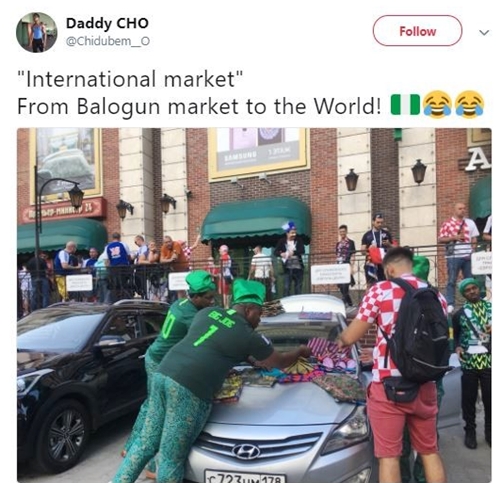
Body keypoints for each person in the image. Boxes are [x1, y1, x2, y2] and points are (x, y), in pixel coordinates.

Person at [109, 279, 312, 483]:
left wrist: (248, 358)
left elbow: (214, 341)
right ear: (249, 309)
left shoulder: (206, 313)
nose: (259, 320)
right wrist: (300, 351)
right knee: (171, 457)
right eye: (259, 314)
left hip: (163, 372)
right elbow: (279, 361)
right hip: (188, 388)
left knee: (145, 442)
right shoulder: (248, 335)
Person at [337, 247, 447, 483]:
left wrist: (338, 341)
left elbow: (352, 335)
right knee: (429, 451)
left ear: (389, 269)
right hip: (425, 383)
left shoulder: (381, 290)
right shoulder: (436, 295)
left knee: (389, 457)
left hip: (389, 387)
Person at [121, 270, 217, 479]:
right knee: (157, 412)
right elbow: (210, 337)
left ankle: (133, 451)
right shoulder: (191, 316)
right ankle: (148, 463)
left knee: (151, 407)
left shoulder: (180, 304)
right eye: (208, 298)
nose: (212, 301)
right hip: (160, 362)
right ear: (196, 296)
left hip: (157, 356)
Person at [452, 278, 491, 449]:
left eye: (474, 288)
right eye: (467, 290)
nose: (472, 291)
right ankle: (470, 432)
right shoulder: (459, 314)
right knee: (468, 401)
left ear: (479, 288)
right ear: (463, 294)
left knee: (491, 400)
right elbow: (455, 335)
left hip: (489, 362)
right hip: (469, 363)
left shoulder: (492, 309)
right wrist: (457, 347)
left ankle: (490, 432)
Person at [438, 202, 479, 314]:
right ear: (455, 210)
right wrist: (454, 237)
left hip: (467, 255)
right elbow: (441, 239)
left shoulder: (470, 222)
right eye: (460, 208)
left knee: (469, 280)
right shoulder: (447, 223)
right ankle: (450, 304)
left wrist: (473, 250)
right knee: (451, 280)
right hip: (453, 256)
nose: (462, 210)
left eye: (464, 208)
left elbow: (474, 238)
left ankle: (471, 302)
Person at [361, 213, 394, 287]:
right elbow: (362, 252)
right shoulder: (367, 235)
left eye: (381, 222)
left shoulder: (386, 233)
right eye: (378, 222)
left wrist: (389, 244)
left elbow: (393, 248)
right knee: (370, 285)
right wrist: (368, 249)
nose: (380, 224)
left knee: (384, 284)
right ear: (373, 222)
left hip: (383, 263)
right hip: (371, 263)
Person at [274, 221, 306, 296]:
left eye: (294, 233)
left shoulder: (299, 240)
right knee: (286, 287)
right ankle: (286, 302)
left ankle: (298, 301)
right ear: (287, 233)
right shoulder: (282, 241)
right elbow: (275, 252)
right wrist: (281, 254)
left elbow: (302, 251)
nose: (294, 235)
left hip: (298, 268)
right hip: (287, 268)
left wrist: (294, 253)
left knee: (298, 288)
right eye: (292, 233)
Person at [103, 232, 133, 302]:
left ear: (112, 238)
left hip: (113, 268)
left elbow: (106, 260)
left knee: (115, 285)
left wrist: (108, 269)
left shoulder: (108, 246)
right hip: (124, 267)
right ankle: (124, 299)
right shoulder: (123, 244)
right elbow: (128, 256)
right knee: (124, 284)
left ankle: (116, 299)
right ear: (119, 238)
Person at [160, 235, 189, 302]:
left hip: (183, 269)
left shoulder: (176, 244)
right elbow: (161, 260)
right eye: (166, 242)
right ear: (164, 243)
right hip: (174, 271)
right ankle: (180, 303)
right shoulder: (163, 247)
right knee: (178, 289)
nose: (168, 243)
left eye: (169, 241)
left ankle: (184, 302)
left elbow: (175, 258)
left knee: (183, 288)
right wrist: (170, 259)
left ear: (172, 241)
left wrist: (166, 259)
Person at [335, 225, 356, 307]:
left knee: (345, 286)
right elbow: (337, 256)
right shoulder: (338, 244)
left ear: (346, 232)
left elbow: (353, 255)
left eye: (343, 231)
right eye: (340, 232)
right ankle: (350, 304)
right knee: (341, 287)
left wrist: (352, 267)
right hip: (339, 266)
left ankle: (344, 304)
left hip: (346, 266)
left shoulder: (351, 242)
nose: (342, 233)